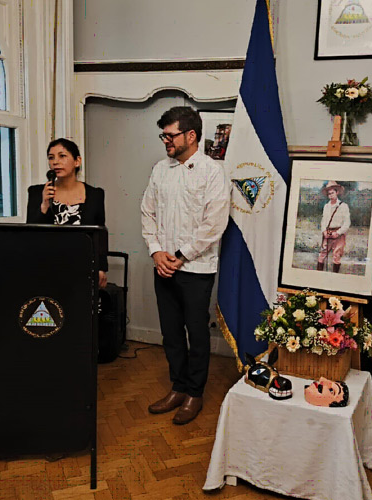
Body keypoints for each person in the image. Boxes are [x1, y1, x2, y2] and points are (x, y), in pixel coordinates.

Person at [140, 106, 230, 425]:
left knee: (196, 333)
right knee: (170, 332)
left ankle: (194, 392)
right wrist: (155, 252)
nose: (165, 140)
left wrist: (181, 255)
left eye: (170, 134)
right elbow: (147, 213)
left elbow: (214, 223)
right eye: (163, 135)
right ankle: (177, 387)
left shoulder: (212, 171)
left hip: (196, 270)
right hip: (163, 266)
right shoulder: (160, 170)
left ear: (191, 136)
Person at [26, 138, 108, 287]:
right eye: (51, 158)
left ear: (77, 161)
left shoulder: (95, 194)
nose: (55, 162)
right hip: (45, 267)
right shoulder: (37, 192)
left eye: (62, 156)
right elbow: (30, 233)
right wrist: (44, 204)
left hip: (82, 267)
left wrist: (101, 268)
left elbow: (100, 234)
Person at [317, 180, 350, 274]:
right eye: (329, 194)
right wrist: (324, 231)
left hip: (339, 234)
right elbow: (323, 221)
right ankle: (318, 276)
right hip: (327, 233)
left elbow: (347, 223)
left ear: (337, 192)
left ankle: (335, 277)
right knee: (322, 254)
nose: (331, 195)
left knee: (337, 256)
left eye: (332, 193)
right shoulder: (326, 206)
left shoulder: (343, 206)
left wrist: (338, 233)